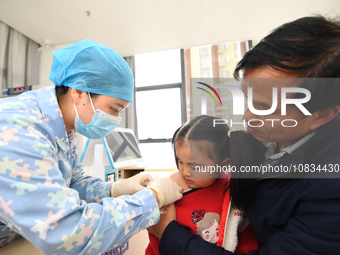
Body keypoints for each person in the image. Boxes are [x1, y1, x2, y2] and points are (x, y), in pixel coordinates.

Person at [148, 16, 340, 254]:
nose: (247, 117)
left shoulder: (330, 189)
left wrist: (169, 233)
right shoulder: (266, 137)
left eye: (264, 107)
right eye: (247, 99)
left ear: (321, 115)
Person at [0, 39, 183, 254]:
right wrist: (152, 198)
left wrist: (114, 189)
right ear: (79, 92)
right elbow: (69, 233)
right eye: (114, 109)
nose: (116, 119)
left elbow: (73, 182)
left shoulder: (62, 126)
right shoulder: (19, 128)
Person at [146, 115, 264, 255]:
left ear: (223, 165)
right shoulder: (170, 188)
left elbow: (243, 236)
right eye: (180, 161)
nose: (185, 171)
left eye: (195, 167)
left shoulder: (233, 187)